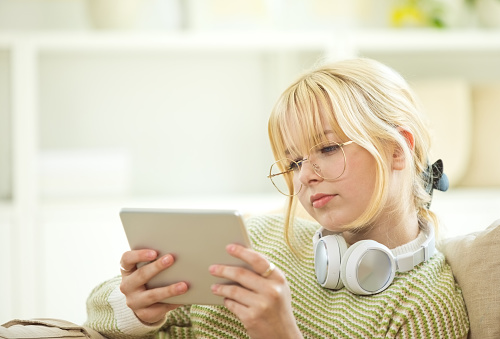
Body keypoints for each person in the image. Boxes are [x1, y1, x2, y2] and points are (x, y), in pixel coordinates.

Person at [84, 58, 469, 338]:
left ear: (397, 150)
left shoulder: (425, 307)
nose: (304, 175)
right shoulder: (261, 242)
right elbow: (96, 313)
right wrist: (137, 308)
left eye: (329, 148)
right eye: (294, 162)